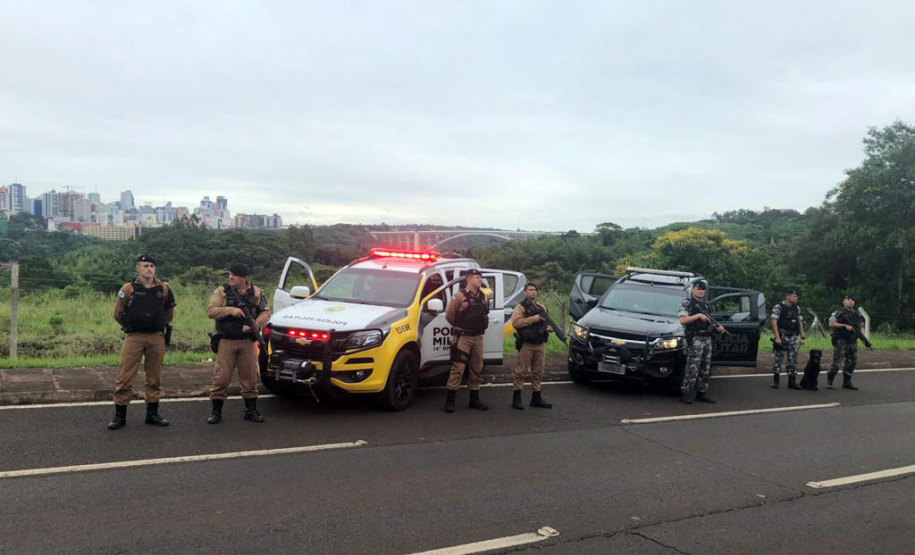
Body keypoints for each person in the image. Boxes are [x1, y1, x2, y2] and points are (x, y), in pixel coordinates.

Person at [108, 254, 176, 430]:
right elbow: (118, 313)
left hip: (156, 337)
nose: (149, 269)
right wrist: (131, 325)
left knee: (154, 377)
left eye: (152, 266)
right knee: (124, 376)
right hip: (135, 337)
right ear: (138, 268)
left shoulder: (164, 288)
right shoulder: (128, 288)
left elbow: (169, 313)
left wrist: (159, 325)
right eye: (145, 265)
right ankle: (120, 416)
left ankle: (152, 414)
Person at [206, 263, 270, 424]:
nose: (230, 277)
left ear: (244, 278)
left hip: (248, 342)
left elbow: (266, 312)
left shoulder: (256, 292)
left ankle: (251, 410)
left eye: (234, 275)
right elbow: (211, 311)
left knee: (250, 378)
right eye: (230, 274)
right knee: (221, 378)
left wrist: (256, 324)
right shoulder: (222, 292)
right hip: (227, 340)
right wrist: (230, 310)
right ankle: (216, 412)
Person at [443, 269, 490, 413]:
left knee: (477, 368)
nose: (480, 279)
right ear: (469, 279)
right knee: (458, 368)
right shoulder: (459, 296)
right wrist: (460, 328)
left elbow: (485, 313)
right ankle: (450, 400)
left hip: (478, 337)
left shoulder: (483, 296)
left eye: (480, 277)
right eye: (477, 277)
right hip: (463, 337)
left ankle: (474, 400)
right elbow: (450, 316)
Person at [677, 280, 725, 404]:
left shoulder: (707, 305)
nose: (701, 291)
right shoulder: (688, 303)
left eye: (703, 289)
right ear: (692, 289)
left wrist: (718, 327)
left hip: (707, 338)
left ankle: (701, 392)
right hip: (695, 339)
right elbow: (683, 320)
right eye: (698, 289)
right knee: (692, 367)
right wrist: (698, 316)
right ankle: (686, 393)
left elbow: (711, 321)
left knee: (705, 368)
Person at [510, 283, 553, 410]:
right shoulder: (520, 307)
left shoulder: (542, 307)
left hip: (539, 343)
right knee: (521, 371)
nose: (534, 292)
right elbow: (516, 323)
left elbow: (546, 322)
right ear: (525, 292)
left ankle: (536, 397)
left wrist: (548, 328)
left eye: (535, 290)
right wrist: (533, 319)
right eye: (530, 290)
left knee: (538, 372)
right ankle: (516, 398)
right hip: (526, 344)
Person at [771, 289, 806, 390]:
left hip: (793, 336)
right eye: (794, 296)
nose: (796, 298)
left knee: (793, 359)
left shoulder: (797, 308)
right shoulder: (779, 307)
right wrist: (777, 337)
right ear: (788, 296)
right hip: (782, 335)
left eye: (796, 296)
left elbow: (800, 322)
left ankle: (792, 381)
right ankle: (776, 380)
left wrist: (802, 337)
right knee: (779, 358)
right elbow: (774, 322)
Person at [827, 294, 864, 390]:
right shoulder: (839, 312)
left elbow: (861, 326)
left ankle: (847, 382)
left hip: (852, 340)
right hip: (841, 339)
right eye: (848, 300)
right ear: (844, 301)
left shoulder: (857, 314)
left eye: (852, 300)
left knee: (852, 361)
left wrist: (862, 335)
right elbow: (831, 323)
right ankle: (829, 381)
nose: (850, 301)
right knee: (836, 361)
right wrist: (844, 326)